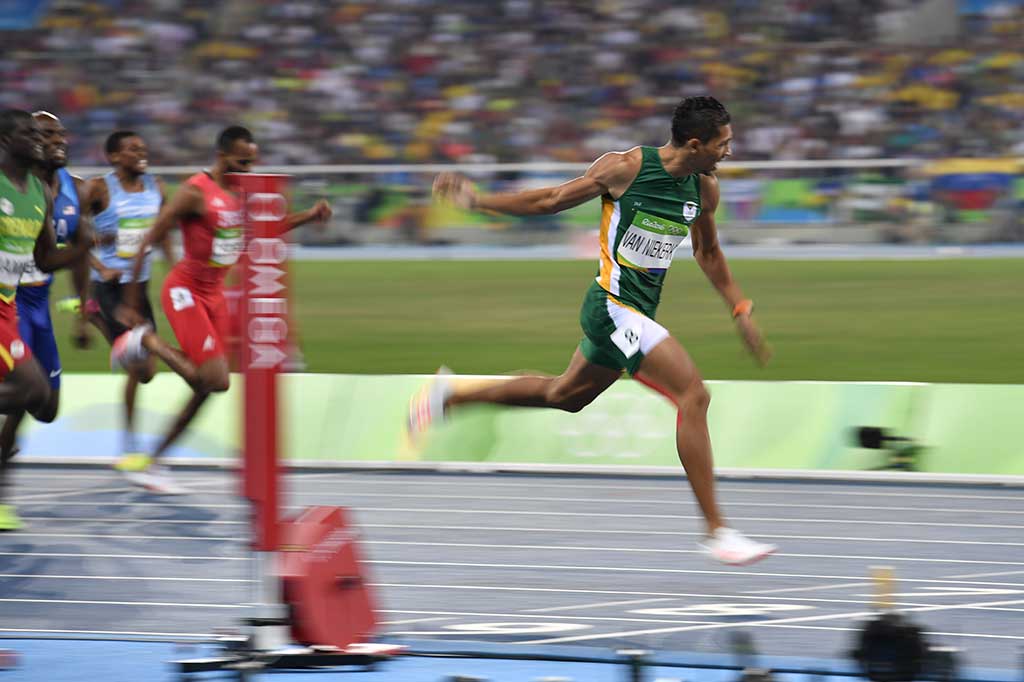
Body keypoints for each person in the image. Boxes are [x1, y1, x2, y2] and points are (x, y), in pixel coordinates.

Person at [417, 96, 776, 566]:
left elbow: (708, 253)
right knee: (694, 395)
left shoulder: (704, 191)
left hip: (638, 313)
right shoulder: (626, 168)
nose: (730, 152)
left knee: (564, 395)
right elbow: (550, 200)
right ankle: (716, 531)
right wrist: (477, 200)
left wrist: (739, 310)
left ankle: (449, 398)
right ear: (695, 144)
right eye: (724, 144)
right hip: (612, 307)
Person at [113, 125, 330, 494]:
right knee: (216, 380)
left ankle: (154, 462)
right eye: (242, 162)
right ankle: (146, 340)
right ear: (223, 156)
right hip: (185, 291)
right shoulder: (195, 192)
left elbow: (265, 229)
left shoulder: (244, 196)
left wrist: (307, 217)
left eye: (252, 162)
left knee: (205, 387)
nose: (248, 169)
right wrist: (132, 303)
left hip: (214, 295)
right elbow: (150, 238)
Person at [0, 109, 93, 530]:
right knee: (25, 388)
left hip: (28, 305)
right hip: (12, 304)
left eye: (57, 133)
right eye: (40, 134)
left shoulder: (53, 192)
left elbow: (49, 258)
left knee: (45, 405)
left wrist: (80, 304)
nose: (52, 140)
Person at [83, 130, 171, 472]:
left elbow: (162, 232)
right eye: (132, 149)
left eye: (143, 148)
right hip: (110, 289)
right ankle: (130, 446)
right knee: (136, 366)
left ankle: (96, 319)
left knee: (148, 372)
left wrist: (175, 272)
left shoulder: (157, 188)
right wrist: (100, 265)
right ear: (114, 157)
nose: (141, 152)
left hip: (140, 288)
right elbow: (69, 233)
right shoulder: (99, 189)